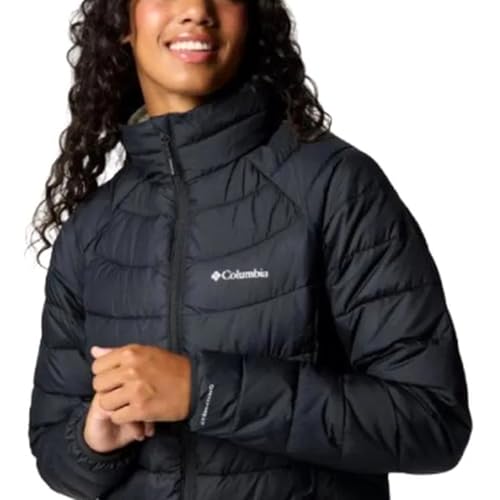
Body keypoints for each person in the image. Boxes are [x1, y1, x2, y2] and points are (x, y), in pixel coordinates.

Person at [27, 1, 472, 499]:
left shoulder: (333, 188)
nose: (196, 9)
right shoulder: (92, 229)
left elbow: (432, 420)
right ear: (122, 23)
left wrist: (204, 392)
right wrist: (94, 440)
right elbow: (55, 456)